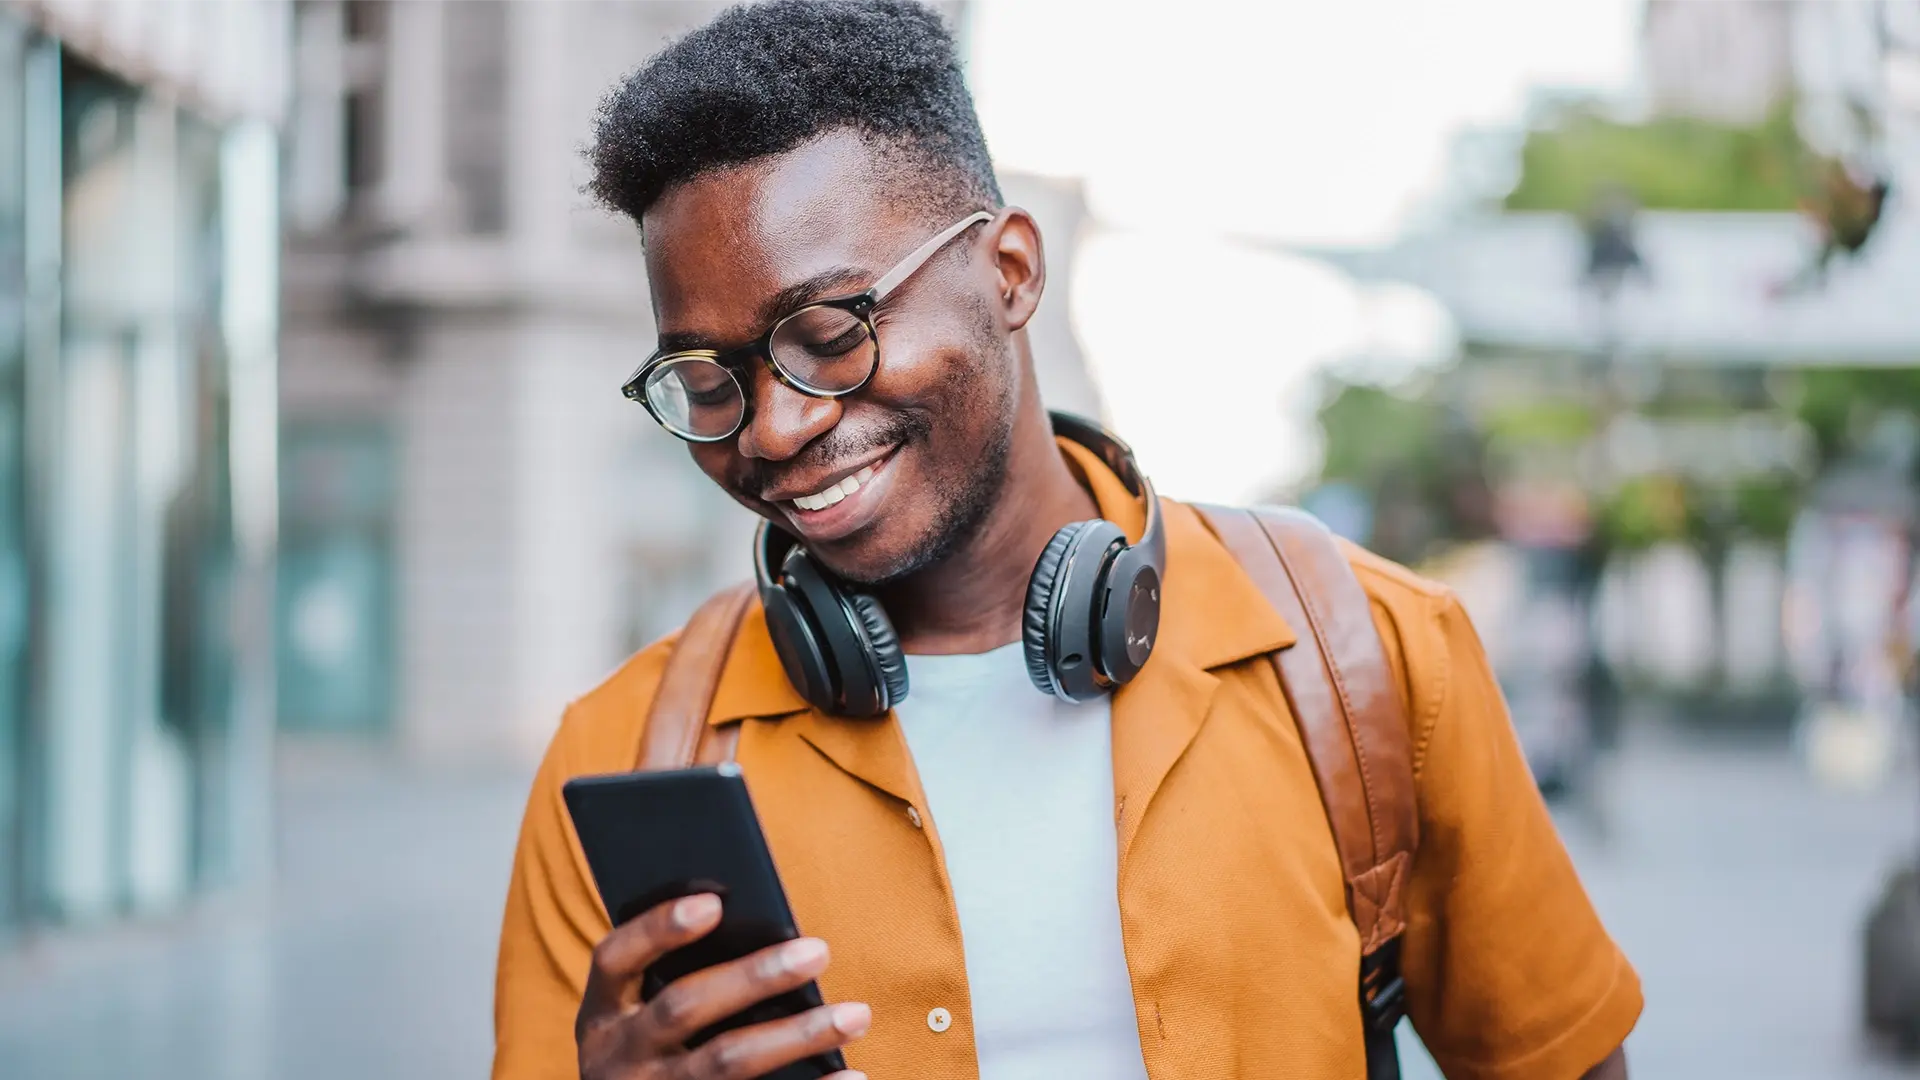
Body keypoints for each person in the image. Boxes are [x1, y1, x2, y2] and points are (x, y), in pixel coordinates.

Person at [491, 3, 1641, 1078]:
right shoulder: (623, 753)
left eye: (830, 332)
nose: (778, 427)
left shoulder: (1372, 658)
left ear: (1010, 271)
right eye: (709, 379)